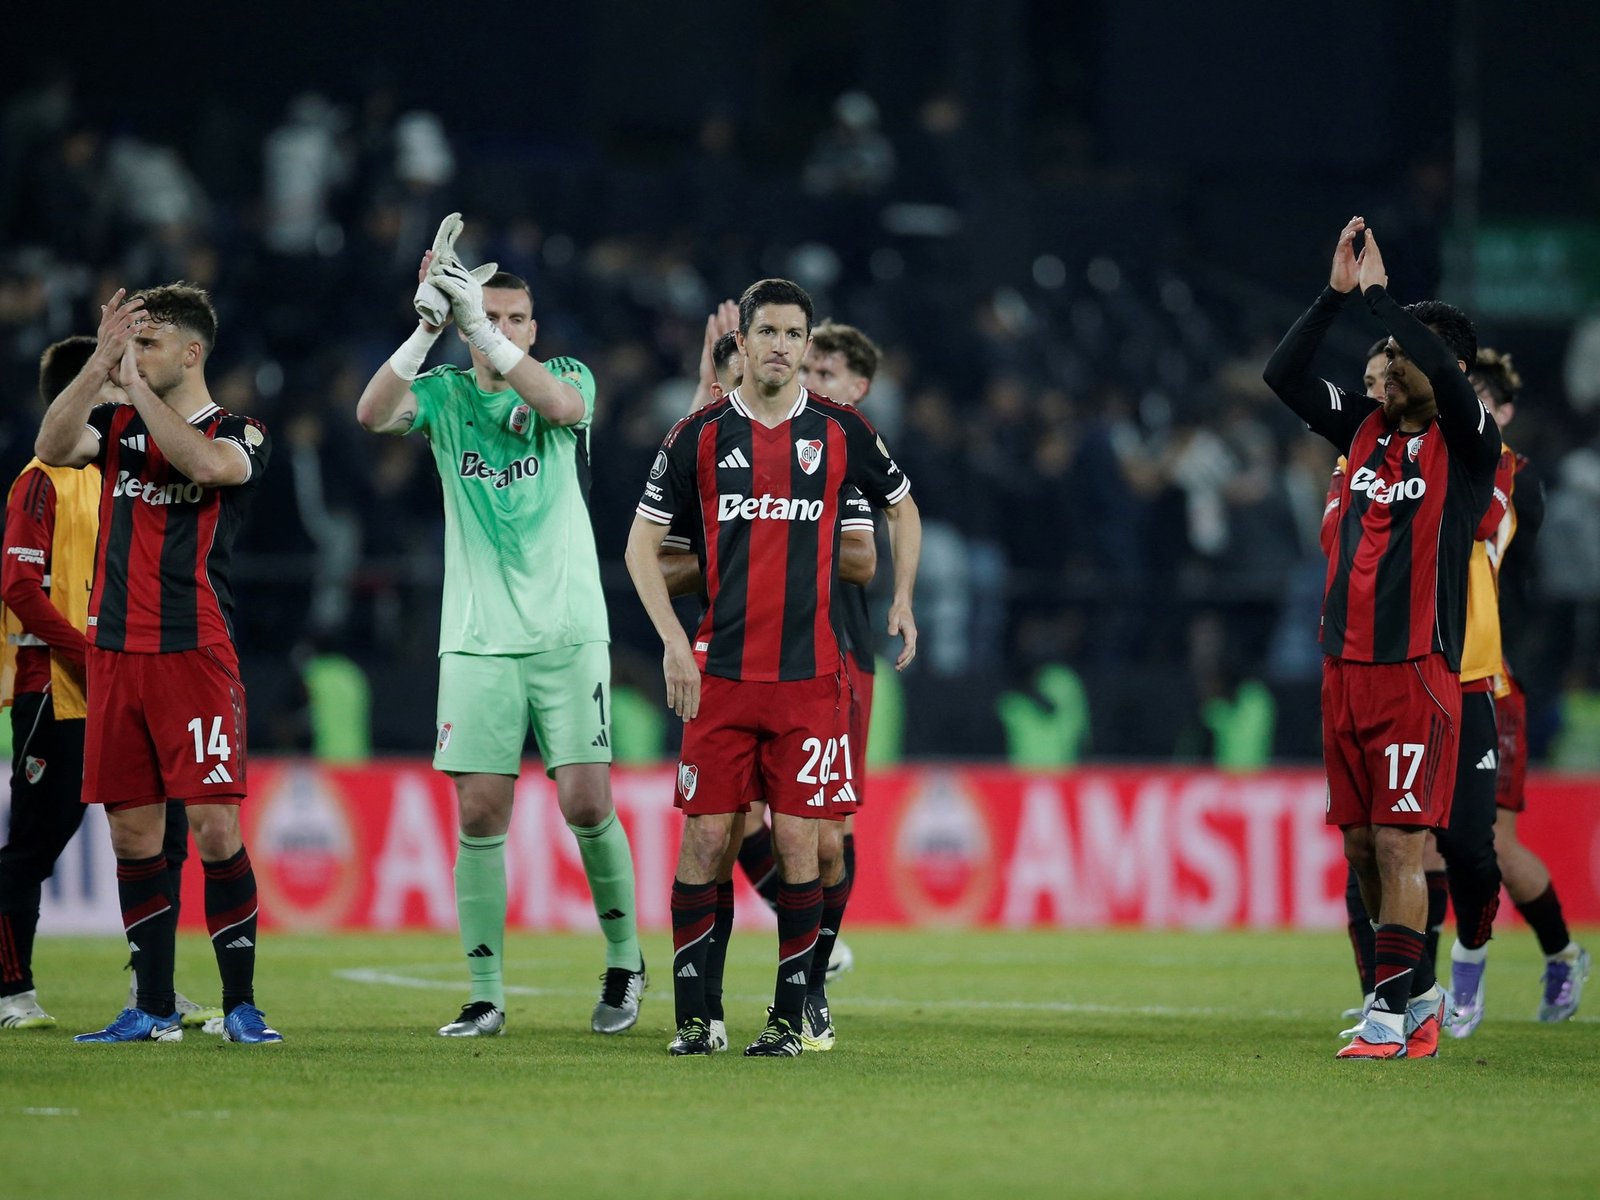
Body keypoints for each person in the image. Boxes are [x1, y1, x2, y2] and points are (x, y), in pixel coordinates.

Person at [356, 219, 645, 1039]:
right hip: (479, 638)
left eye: (519, 319)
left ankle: (625, 965)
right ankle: (485, 993)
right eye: (493, 316)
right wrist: (424, 331)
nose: (507, 330)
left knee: (588, 802)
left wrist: (477, 326)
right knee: (481, 815)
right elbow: (372, 413)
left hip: (567, 630)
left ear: (533, 329)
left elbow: (561, 405)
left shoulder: (563, 377)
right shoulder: (445, 397)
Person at [625, 278, 920, 1057]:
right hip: (718, 676)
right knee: (704, 843)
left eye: (796, 334)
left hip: (810, 680)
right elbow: (638, 549)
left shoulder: (842, 430)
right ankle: (699, 1020)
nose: (783, 347)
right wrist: (667, 641)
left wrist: (905, 599)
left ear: (805, 340)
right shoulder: (695, 435)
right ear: (746, 342)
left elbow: (903, 505)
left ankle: (790, 1021)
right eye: (770, 333)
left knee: (801, 847)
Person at [1264, 218, 1501, 1060]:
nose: (1390, 362)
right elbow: (1282, 373)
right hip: (1344, 671)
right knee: (1362, 844)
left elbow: (1429, 361)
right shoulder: (1361, 429)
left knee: (1405, 840)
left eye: (1405, 353)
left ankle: (1391, 1019)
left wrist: (1379, 298)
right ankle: (1411, 993)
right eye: (1386, 351)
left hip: (1416, 671)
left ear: (1454, 373)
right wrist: (1334, 297)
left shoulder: (1470, 444)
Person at [35, 284, 279, 1044]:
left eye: (148, 344)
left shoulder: (242, 431)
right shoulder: (109, 426)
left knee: (212, 828)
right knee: (133, 837)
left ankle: (240, 1002)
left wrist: (133, 387)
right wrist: (96, 367)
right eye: (130, 344)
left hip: (194, 654)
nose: (133, 358)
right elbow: (50, 447)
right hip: (114, 656)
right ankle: (153, 1005)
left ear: (190, 353)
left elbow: (206, 466)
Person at [1, 338, 219, 1032]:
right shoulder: (43, 477)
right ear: (88, 392)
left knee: (165, 840)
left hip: (139, 687)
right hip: (59, 692)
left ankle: (151, 988)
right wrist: (92, 654)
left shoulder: (125, 476)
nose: (130, 399)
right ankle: (12, 991)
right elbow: (17, 586)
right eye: (117, 390)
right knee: (37, 843)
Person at [1468, 349, 1589, 1021]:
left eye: (1483, 399)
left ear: (1505, 412)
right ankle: (1416, 993)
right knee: (1420, 841)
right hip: (1431, 676)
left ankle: (1562, 953)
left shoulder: (1519, 483)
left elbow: (1514, 573)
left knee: (1492, 845)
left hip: (1492, 676)